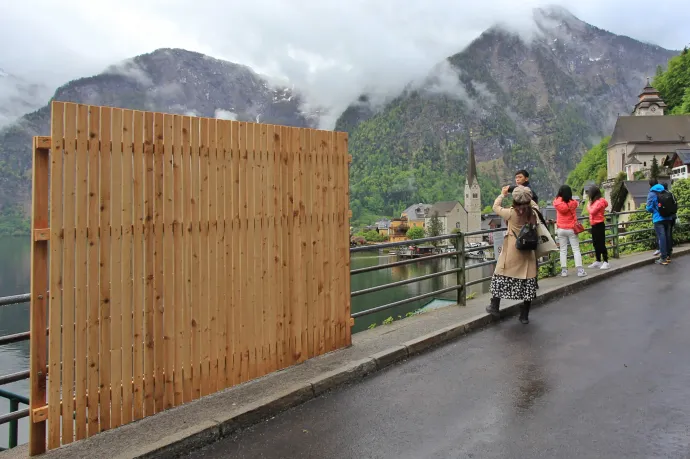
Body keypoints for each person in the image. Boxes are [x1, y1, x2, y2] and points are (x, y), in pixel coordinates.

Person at [486, 185, 538, 325]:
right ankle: (524, 315)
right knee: (528, 283)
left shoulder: (511, 213)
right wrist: (526, 194)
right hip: (528, 252)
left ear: (515, 199)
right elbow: (533, 203)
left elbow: (495, 207)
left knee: (500, 277)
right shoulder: (534, 212)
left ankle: (494, 306)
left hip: (512, 252)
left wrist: (503, 194)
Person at [553, 185, 587, 277]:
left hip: (560, 229)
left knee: (563, 250)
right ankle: (580, 270)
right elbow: (576, 203)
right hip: (571, 229)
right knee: (576, 249)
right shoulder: (573, 203)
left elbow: (556, 201)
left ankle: (564, 271)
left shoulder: (557, 202)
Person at [646, 179, 672, 265]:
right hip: (668, 217)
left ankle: (663, 258)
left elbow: (649, 208)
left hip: (658, 219)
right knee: (667, 237)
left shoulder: (652, 193)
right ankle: (668, 256)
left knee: (662, 238)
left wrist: (654, 210)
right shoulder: (665, 190)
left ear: (650, 185)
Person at [586, 185, 609, 269]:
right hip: (594, 224)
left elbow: (592, 211)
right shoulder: (596, 201)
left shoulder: (599, 202)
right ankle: (598, 260)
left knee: (601, 243)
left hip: (599, 224)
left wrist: (588, 205)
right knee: (596, 243)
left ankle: (606, 261)